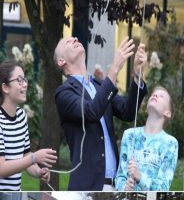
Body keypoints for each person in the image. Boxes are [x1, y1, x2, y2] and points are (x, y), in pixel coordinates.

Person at [55, 35, 147, 190]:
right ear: (61, 61)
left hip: (115, 185)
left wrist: (137, 75)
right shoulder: (64, 93)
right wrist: (114, 68)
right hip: (88, 187)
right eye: (68, 42)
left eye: (75, 38)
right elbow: (92, 112)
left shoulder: (99, 85)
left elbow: (128, 112)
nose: (75, 38)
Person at [0, 59, 56, 190]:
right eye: (19, 80)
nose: (25, 85)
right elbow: (2, 169)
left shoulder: (21, 116)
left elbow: (25, 156)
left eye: (25, 80)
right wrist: (34, 157)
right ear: (5, 87)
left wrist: (39, 172)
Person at [114, 86, 178, 191]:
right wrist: (124, 188)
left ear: (168, 113)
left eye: (161, 96)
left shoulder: (170, 143)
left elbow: (163, 188)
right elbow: (120, 177)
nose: (155, 95)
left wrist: (140, 177)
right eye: (154, 94)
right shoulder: (129, 135)